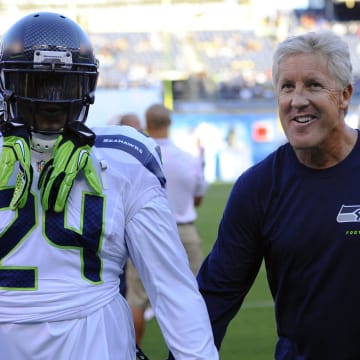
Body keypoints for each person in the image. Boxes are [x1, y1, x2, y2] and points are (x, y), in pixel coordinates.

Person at [0, 12, 219, 360]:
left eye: (62, 86)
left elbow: (171, 286)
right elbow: (173, 290)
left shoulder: (125, 158)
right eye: (37, 84)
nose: (51, 100)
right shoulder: (124, 156)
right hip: (95, 342)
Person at [196, 29, 360, 359]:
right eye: (287, 86)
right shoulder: (257, 188)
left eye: (313, 85)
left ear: (344, 95)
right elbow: (215, 296)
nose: (297, 100)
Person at [126, 103, 208, 345]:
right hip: (184, 233)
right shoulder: (189, 159)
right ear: (169, 124)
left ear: (147, 124)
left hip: (146, 232)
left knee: (137, 299)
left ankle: (132, 352)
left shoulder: (136, 159)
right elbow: (198, 198)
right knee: (195, 298)